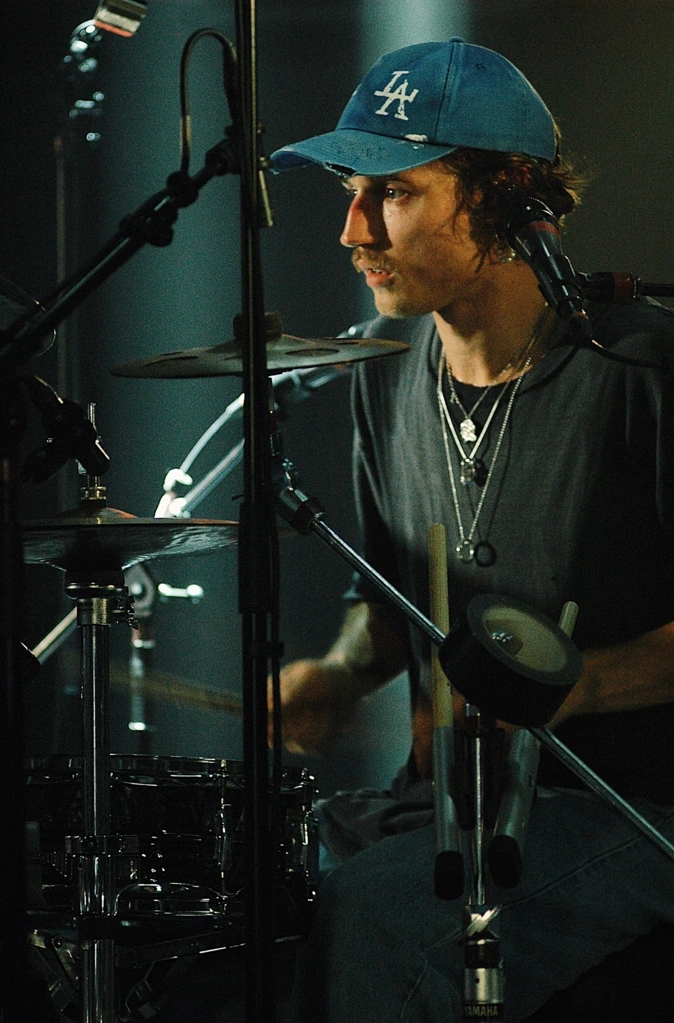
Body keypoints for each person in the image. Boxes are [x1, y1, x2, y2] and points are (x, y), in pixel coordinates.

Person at [269, 38, 674, 1021]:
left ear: (502, 200)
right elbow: (388, 596)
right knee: (244, 887)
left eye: (393, 194)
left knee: (374, 914)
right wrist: (341, 671)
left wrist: (578, 686)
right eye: (350, 194)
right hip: (449, 808)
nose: (352, 230)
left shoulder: (640, 372)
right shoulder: (381, 375)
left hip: (629, 809)